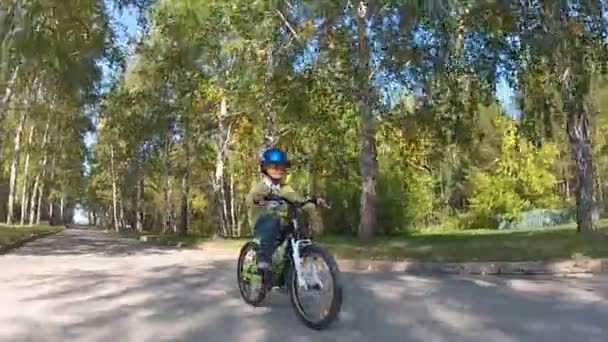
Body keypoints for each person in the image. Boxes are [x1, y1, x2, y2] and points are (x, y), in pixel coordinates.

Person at [245, 147, 326, 275]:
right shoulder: (261, 186)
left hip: (281, 221)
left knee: (298, 220)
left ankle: (302, 256)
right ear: (265, 168)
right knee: (273, 221)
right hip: (261, 222)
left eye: (282, 167)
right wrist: (257, 199)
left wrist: (313, 202)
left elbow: (297, 199)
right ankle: (263, 259)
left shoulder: (285, 188)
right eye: (273, 166)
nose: (278, 170)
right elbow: (251, 198)